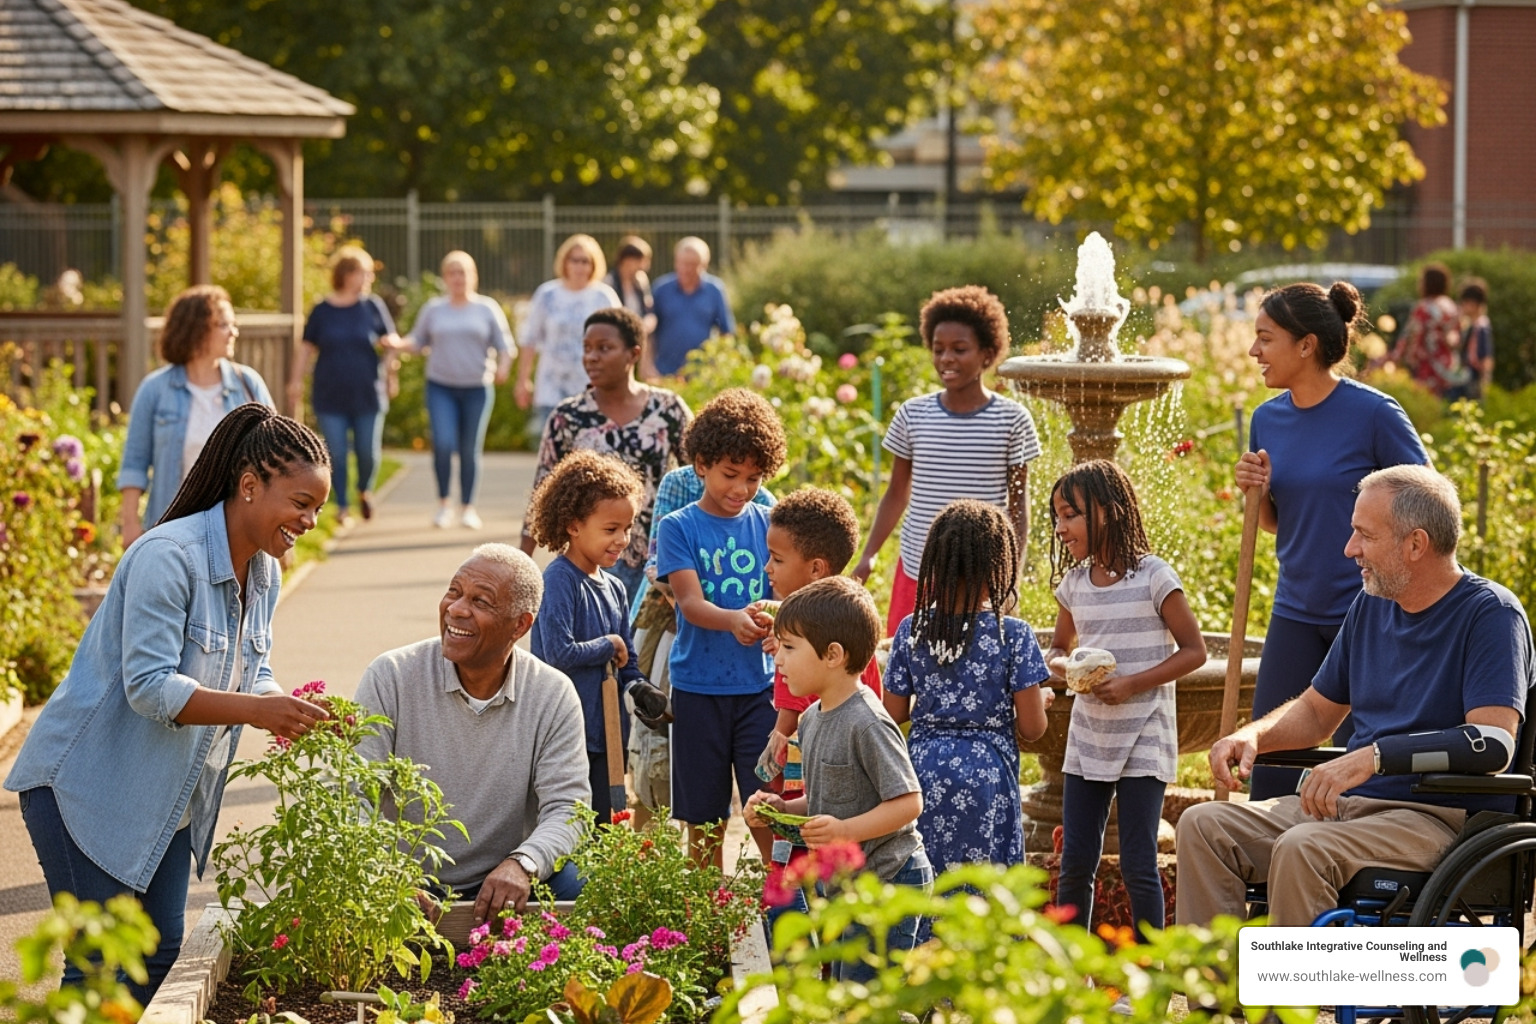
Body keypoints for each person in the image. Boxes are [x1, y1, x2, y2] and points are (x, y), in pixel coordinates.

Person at [7, 404, 333, 1002]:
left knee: (160, 960)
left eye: (317, 508)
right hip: (87, 788)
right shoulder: (169, 556)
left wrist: (286, 708)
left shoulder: (264, 571)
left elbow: (251, 669)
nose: (309, 520)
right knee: (99, 971)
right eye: (301, 503)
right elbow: (151, 687)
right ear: (250, 485)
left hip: (166, 799)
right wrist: (257, 711)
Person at [1177, 465, 1534, 928]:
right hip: (1351, 809)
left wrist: (1374, 757)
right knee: (1205, 827)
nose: (1350, 549)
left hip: (1436, 819)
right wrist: (1254, 738)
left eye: (1365, 535)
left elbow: (1493, 744)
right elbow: (1315, 712)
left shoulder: (1491, 615)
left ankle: (1289, 1002)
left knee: (1303, 848)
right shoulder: (1371, 604)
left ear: (1415, 544)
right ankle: (1216, 995)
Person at [1237, 281, 1428, 799]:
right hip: (1296, 609)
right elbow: (1279, 521)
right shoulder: (1266, 419)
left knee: (1356, 772)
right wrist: (1257, 493)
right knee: (1271, 763)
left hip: (1370, 611)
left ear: (1306, 345)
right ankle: (1266, 874)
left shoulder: (1375, 415)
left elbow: (1427, 508)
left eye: (1265, 338)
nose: (1254, 351)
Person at [353, 544, 589, 924]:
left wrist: (523, 864)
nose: (456, 609)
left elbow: (568, 808)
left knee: (584, 883)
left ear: (520, 625)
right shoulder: (391, 676)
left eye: (481, 601)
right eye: (453, 591)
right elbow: (353, 796)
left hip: (504, 883)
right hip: (405, 880)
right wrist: (387, 875)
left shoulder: (552, 694)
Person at [1045, 460, 1206, 942]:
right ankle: (1072, 976)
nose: (1060, 527)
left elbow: (1195, 651)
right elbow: (1056, 649)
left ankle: (1147, 980)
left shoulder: (1154, 577)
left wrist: (1133, 683)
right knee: (1076, 860)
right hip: (1090, 736)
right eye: (1056, 516)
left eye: (1070, 514)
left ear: (1107, 512)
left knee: (1138, 861)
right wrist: (1066, 669)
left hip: (1145, 734)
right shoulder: (1073, 585)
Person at [746, 576, 932, 983]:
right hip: (850, 887)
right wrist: (781, 809)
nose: (779, 661)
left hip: (890, 880)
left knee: (871, 1001)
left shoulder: (867, 721)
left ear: (833, 654)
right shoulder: (811, 718)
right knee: (847, 993)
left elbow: (908, 803)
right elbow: (828, 799)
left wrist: (844, 831)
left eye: (789, 648)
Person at [853, 285, 1042, 636]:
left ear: (987, 354)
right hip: (919, 569)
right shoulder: (913, 415)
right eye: (938, 350)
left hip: (982, 575)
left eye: (959, 349)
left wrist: (1010, 576)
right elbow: (896, 493)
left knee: (980, 669)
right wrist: (868, 555)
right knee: (911, 662)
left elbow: (1018, 506)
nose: (946, 359)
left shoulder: (1012, 420)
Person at [882, 499, 1050, 874]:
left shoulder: (911, 629)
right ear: (998, 568)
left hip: (920, 775)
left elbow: (892, 715)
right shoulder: (1013, 635)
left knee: (925, 882)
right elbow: (1033, 728)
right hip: (986, 777)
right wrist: (1040, 699)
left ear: (935, 566)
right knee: (981, 890)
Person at [654, 388, 786, 867]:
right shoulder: (678, 527)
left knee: (766, 810)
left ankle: (784, 901)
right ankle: (705, 914)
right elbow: (689, 603)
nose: (741, 489)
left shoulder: (771, 522)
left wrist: (780, 624)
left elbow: (790, 596)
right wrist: (734, 620)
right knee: (705, 820)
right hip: (697, 692)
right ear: (701, 465)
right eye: (731, 475)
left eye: (753, 478)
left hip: (761, 692)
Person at [524, 451, 673, 822]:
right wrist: (610, 644)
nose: (622, 539)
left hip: (607, 734)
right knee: (569, 825)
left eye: (627, 528)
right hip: (564, 733)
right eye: (610, 530)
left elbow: (627, 665)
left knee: (607, 823)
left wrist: (640, 688)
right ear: (574, 526)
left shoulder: (615, 588)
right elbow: (558, 653)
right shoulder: (559, 580)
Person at [520, 307, 693, 600]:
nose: (591, 357)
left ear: (633, 354)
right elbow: (541, 492)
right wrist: (521, 566)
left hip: (656, 565)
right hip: (586, 566)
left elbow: (700, 475)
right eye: (587, 348)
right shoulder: (568, 417)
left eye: (604, 348)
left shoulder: (668, 410)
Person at [118, 286, 274, 545]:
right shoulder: (155, 390)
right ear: (197, 329)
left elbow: (274, 457)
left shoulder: (248, 384)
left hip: (236, 529)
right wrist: (131, 525)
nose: (234, 332)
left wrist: (276, 526)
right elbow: (134, 463)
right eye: (224, 324)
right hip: (171, 528)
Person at [754, 487, 884, 789]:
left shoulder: (801, 627)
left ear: (815, 568)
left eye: (777, 559)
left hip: (807, 759)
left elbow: (788, 717)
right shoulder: (854, 610)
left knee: (793, 827)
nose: (767, 568)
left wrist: (767, 771)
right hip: (855, 754)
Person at [289, 246, 402, 524]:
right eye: (363, 273)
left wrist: (390, 373)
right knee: (335, 452)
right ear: (346, 274)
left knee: (367, 452)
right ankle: (341, 505)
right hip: (330, 394)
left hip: (368, 393)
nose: (368, 279)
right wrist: (295, 381)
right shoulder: (322, 310)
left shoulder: (372, 306)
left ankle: (364, 490)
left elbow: (392, 343)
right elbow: (305, 349)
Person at [404, 250, 516, 530]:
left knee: (469, 449)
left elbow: (506, 347)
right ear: (445, 278)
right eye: (452, 272)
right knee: (442, 444)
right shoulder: (434, 309)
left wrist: (503, 367)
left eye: (463, 272)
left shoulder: (486, 308)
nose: (458, 278)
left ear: (473, 276)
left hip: (477, 388)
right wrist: (396, 343)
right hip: (440, 386)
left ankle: (467, 507)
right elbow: (417, 341)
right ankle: (444, 504)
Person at [515, 234, 621, 440]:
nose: (580, 266)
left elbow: (619, 342)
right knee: (552, 456)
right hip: (551, 387)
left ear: (593, 264)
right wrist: (523, 380)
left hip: (591, 388)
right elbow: (530, 339)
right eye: (575, 260)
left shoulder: (603, 296)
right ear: (565, 262)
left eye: (585, 261)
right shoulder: (547, 294)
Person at [645, 236, 735, 379]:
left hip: (702, 374)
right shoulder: (661, 289)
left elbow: (726, 332)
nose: (687, 269)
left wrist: (720, 367)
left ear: (704, 265)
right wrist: (648, 367)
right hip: (663, 373)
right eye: (683, 263)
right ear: (676, 262)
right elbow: (648, 332)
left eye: (693, 264)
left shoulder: (715, 291)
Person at [1391, 262, 1465, 398]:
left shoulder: (1424, 308)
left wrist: (1397, 359)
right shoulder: (1451, 307)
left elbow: (1410, 336)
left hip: (1427, 369)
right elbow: (1458, 338)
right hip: (1449, 366)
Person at [1445, 277, 1494, 404]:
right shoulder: (1467, 325)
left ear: (1473, 304)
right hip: (1463, 377)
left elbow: (1486, 357)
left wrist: (1485, 382)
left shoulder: (1481, 327)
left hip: (1472, 378)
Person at [604, 235, 657, 336]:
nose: (644, 267)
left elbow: (648, 308)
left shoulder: (641, 280)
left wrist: (648, 321)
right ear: (627, 260)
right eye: (640, 261)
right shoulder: (609, 282)